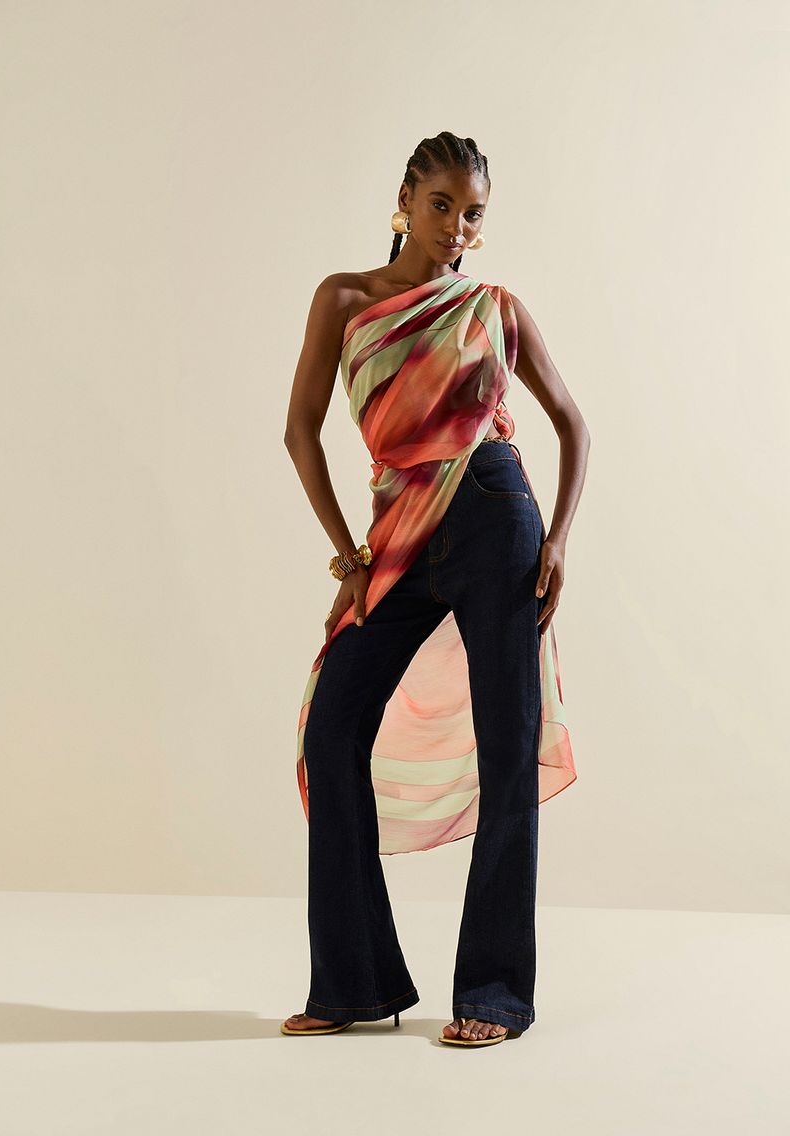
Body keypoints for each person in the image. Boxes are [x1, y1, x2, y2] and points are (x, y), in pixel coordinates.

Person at [280, 131, 590, 1048]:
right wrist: (350, 559)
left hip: (496, 516)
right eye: (442, 205)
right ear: (406, 202)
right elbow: (299, 432)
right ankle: (355, 982)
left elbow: (573, 423)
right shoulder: (345, 299)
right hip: (398, 532)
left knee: (507, 748)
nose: (457, 227)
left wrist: (558, 540)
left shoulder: (494, 308)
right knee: (332, 727)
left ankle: (493, 993)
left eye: (472, 213)